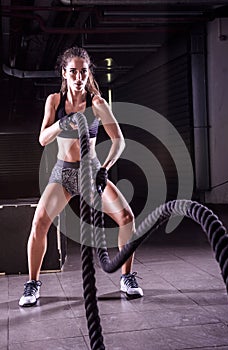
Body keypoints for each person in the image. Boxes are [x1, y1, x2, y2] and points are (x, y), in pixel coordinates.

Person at [19, 46, 143, 307]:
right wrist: (62, 123)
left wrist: (104, 169)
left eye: (83, 72)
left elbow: (118, 141)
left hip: (92, 171)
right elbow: (42, 139)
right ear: (64, 73)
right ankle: (32, 284)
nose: (78, 78)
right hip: (63, 172)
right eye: (73, 72)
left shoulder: (97, 103)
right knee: (40, 222)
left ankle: (127, 277)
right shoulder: (54, 101)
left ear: (89, 74)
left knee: (127, 217)